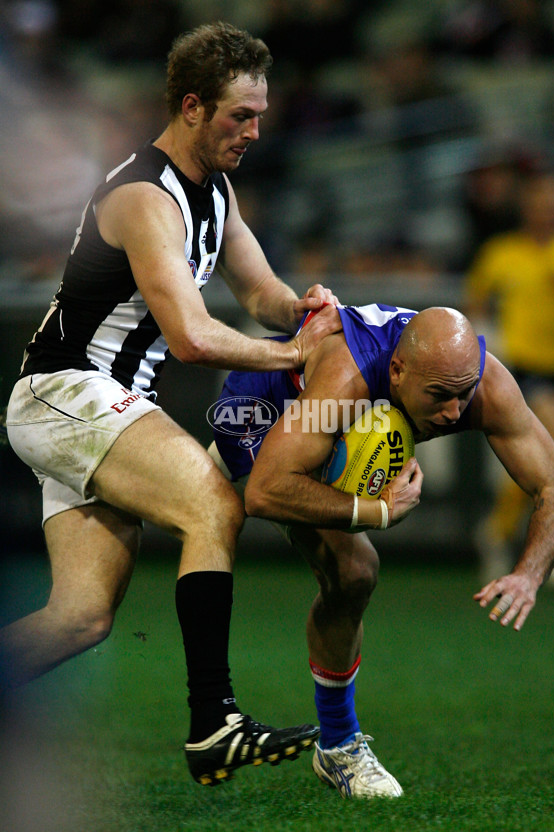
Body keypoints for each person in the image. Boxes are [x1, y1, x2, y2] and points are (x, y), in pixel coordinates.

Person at [1, 21, 343, 787]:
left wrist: (304, 311)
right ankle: (214, 722)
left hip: (92, 403)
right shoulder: (140, 195)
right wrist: (295, 357)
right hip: (67, 392)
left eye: (260, 114)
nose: (255, 131)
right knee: (212, 505)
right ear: (191, 107)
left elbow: (259, 293)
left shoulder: (215, 192)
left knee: (80, 618)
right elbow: (191, 336)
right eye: (239, 116)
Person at [206, 303, 554, 798]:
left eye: (463, 395)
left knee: (354, 576)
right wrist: (377, 511)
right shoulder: (346, 380)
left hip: (351, 422)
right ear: (397, 372)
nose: (453, 413)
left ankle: (335, 747)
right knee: (352, 567)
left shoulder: (483, 386)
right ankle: (327, 743)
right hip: (278, 408)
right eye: (441, 396)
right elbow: (267, 491)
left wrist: (529, 575)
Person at [466, 170, 554, 585]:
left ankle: (497, 532)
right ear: (527, 210)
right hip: (529, 368)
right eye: (540, 204)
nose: (549, 212)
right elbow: (473, 305)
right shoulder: (501, 253)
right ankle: (549, 548)